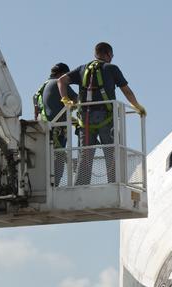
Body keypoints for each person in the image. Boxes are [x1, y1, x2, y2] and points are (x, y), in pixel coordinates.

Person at [56, 42, 145, 185]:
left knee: (85, 156)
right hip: (106, 118)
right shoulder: (111, 68)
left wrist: (65, 98)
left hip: (84, 120)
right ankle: (114, 185)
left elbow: (61, 81)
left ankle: (81, 187)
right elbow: (126, 90)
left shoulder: (82, 69)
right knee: (111, 153)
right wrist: (137, 106)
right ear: (108, 54)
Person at [33, 62, 80, 185]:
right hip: (57, 131)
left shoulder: (41, 89)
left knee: (47, 162)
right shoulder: (58, 83)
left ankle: (48, 184)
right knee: (58, 162)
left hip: (44, 131)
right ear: (62, 74)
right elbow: (77, 100)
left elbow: (37, 112)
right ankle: (55, 186)